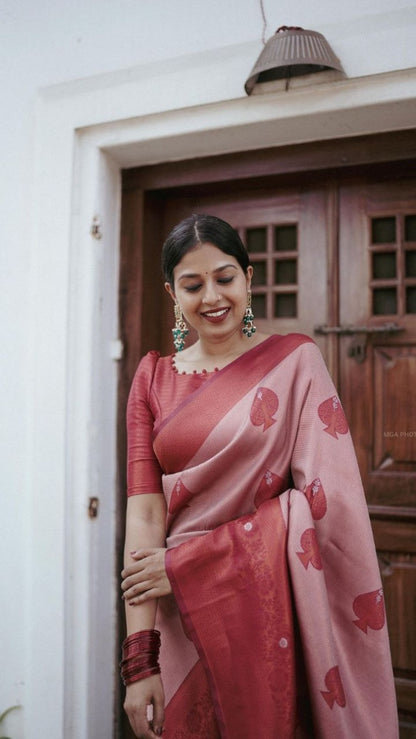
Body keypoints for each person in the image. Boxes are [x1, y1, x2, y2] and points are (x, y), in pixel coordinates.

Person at [120, 214, 398, 738]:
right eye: (192, 285)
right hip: (178, 614)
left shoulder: (296, 361)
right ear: (172, 293)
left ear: (248, 278)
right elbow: (145, 512)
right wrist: (140, 659)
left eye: (224, 277)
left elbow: (330, 504)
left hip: (264, 607)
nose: (212, 297)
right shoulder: (152, 378)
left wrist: (191, 563)